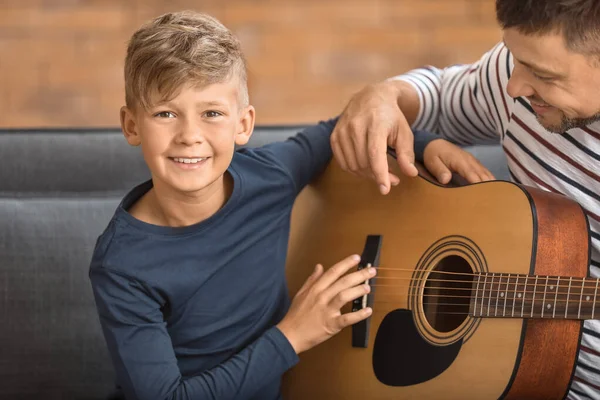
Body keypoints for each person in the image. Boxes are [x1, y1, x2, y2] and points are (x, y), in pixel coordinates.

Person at [89, 10, 492, 400]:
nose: (189, 135)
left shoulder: (270, 177)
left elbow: (346, 127)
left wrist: (426, 143)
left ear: (243, 124)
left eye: (212, 113)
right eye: (165, 113)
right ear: (131, 125)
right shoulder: (122, 265)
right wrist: (294, 335)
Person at [331, 0, 600, 398]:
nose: (515, 87)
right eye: (514, 58)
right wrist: (382, 96)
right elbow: (438, 95)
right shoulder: (514, 79)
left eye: (543, 75)